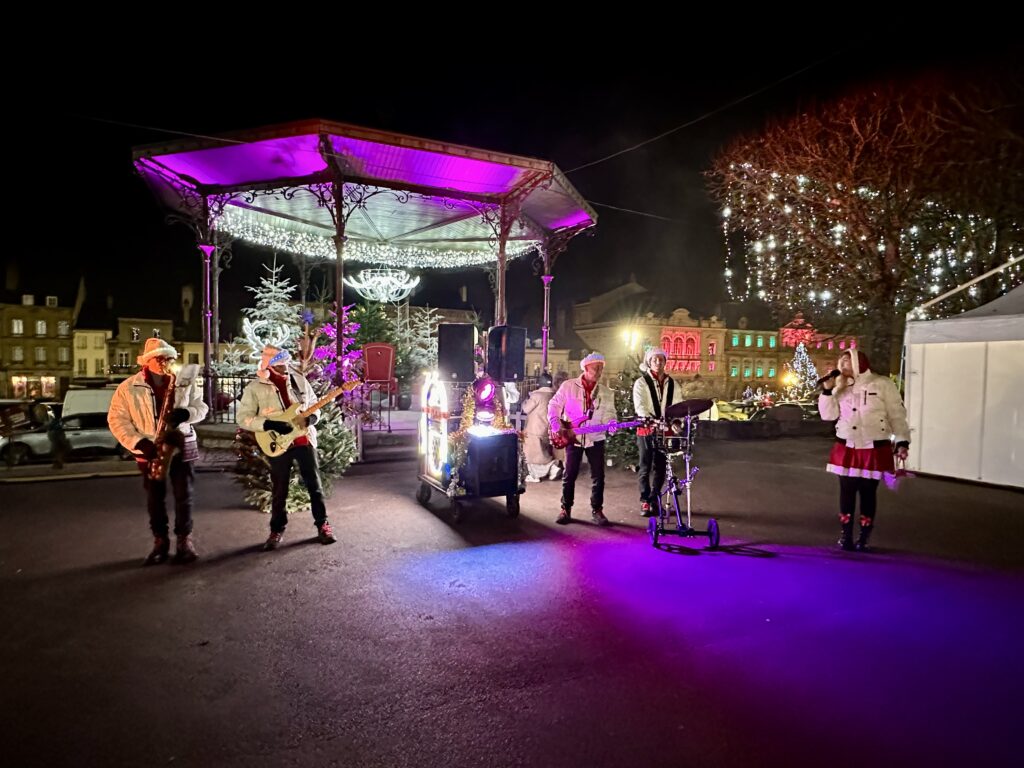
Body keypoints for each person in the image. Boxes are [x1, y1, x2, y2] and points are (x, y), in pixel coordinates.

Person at [108, 338, 207, 565]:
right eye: (161, 359)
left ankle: (184, 541)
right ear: (148, 361)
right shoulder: (128, 387)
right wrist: (140, 443)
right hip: (151, 449)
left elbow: (202, 408)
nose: (166, 363)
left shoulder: (184, 383)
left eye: (170, 359)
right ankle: (160, 542)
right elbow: (117, 420)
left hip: (182, 445)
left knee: (185, 496)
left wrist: (187, 414)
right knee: (155, 499)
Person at [237, 345, 336, 551]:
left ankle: (323, 525)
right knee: (279, 489)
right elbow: (243, 418)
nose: (285, 367)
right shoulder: (255, 387)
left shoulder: (298, 380)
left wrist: (311, 418)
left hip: (303, 440)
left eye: (285, 363)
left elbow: (314, 403)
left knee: (314, 486)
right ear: (270, 365)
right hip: (277, 443)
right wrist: (268, 424)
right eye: (280, 364)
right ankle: (276, 529)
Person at [818, 349, 909, 551]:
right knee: (846, 493)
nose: (842, 366)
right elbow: (828, 415)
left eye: (847, 361)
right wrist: (827, 391)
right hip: (847, 445)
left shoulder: (882, 383)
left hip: (873, 445)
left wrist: (902, 441)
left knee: (868, 494)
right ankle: (846, 535)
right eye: (840, 362)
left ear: (859, 362)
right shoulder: (840, 387)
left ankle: (864, 537)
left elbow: (896, 413)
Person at [547, 352, 617, 526]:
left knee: (598, 476)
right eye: (595, 368)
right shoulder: (568, 386)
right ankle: (565, 508)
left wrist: (612, 423)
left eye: (601, 368)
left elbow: (610, 413)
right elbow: (554, 405)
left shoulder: (606, 392)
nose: (599, 371)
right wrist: (557, 426)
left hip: (596, 437)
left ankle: (597, 510)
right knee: (569, 474)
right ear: (585, 368)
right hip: (573, 437)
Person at [632, 347, 682, 516]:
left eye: (661, 360)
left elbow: (678, 405)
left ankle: (654, 499)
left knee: (660, 466)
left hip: (664, 431)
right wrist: (651, 420)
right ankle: (645, 501)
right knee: (645, 466)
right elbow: (640, 407)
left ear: (665, 362)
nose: (658, 363)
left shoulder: (673, 383)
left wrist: (675, 422)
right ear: (649, 362)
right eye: (654, 360)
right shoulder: (641, 383)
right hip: (646, 429)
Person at [522, 373, 561, 483]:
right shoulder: (553, 395)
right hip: (546, 429)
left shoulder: (537, 396)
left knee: (532, 455)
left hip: (534, 429)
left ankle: (538, 474)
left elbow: (526, 409)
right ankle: (552, 468)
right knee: (542, 451)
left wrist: (525, 401)